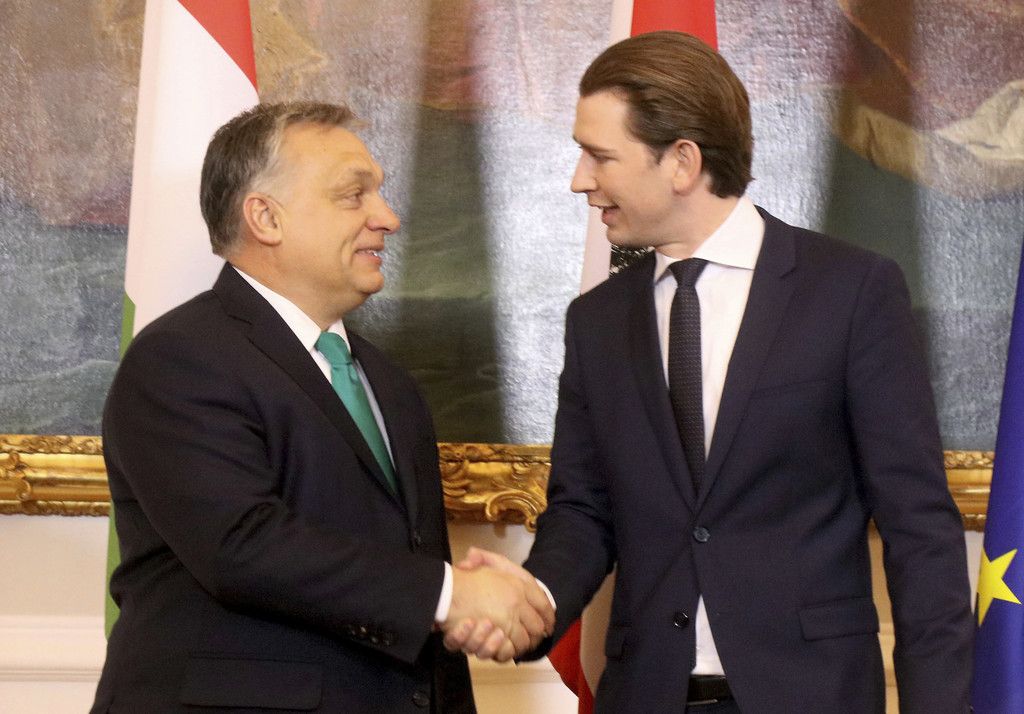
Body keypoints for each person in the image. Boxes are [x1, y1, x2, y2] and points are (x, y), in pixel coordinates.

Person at [452, 32, 974, 712]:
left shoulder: (850, 292)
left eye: (599, 155)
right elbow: (584, 509)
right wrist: (534, 598)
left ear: (682, 161)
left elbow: (918, 526)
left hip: (812, 695)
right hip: (646, 694)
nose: (580, 179)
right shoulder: (597, 320)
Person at [91, 101, 553, 713]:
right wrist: (450, 593)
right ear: (266, 217)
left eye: (378, 194)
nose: (387, 218)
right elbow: (241, 545)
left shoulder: (389, 384)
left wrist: (466, 610)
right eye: (353, 195)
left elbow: (412, 580)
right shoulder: (180, 357)